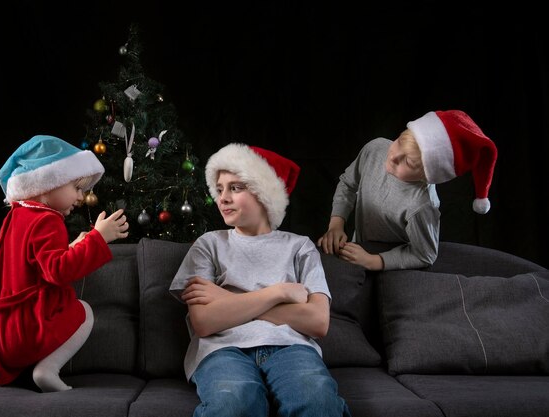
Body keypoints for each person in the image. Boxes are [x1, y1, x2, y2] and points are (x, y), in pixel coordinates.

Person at [169, 143, 352, 417]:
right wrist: (278, 292)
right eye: (219, 189)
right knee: (235, 404)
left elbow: (317, 321)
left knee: (318, 403)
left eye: (235, 187)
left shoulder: (300, 247)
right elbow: (204, 322)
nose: (223, 198)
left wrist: (228, 300)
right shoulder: (208, 245)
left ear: (265, 193)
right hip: (222, 350)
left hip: (291, 349)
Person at [0, 134, 129, 393]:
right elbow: (58, 271)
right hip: (26, 331)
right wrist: (98, 238)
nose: (80, 198)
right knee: (83, 311)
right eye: (76, 188)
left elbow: (23, 266)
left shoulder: (16, 217)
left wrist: (73, 247)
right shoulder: (49, 220)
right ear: (48, 183)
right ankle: (47, 369)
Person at [317, 109, 498, 271]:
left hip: (393, 265)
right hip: (361, 247)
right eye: (399, 141)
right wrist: (336, 224)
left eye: (408, 162)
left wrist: (374, 261)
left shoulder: (421, 205)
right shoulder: (375, 149)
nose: (394, 155)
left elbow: (424, 254)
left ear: (426, 176)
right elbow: (348, 183)